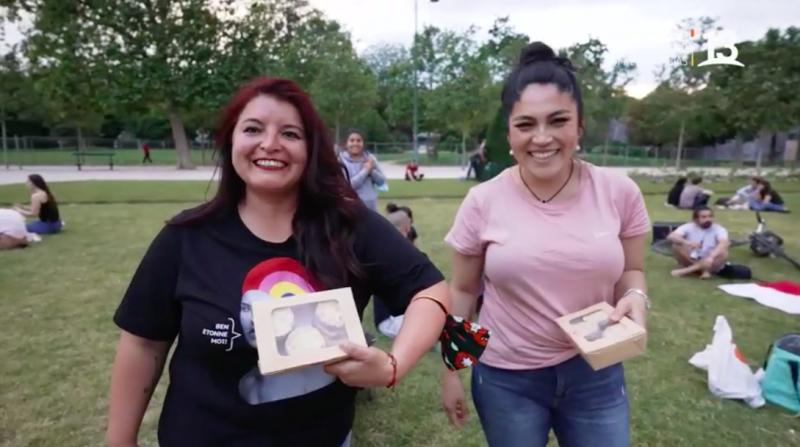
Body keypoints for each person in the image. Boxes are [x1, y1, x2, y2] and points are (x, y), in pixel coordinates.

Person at [106, 77, 449, 447]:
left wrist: (393, 366)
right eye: (253, 129)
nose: (270, 144)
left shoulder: (351, 229)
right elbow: (143, 345)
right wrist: (119, 441)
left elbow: (431, 290)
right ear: (231, 141)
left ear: (311, 149)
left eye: (290, 133)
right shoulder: (186, 237)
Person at [441, 42, 651, 447]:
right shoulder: (483, 201)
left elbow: (631, 271)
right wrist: (452, 371)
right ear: (509, 133)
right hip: (506, 379)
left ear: (580, 127)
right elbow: (465, 291)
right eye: (525, 125)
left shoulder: (619, 192)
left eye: (558, 121)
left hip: (596, 372)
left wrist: (637, 297)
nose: (542, 138)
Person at [373, 209, 414, 338]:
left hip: (389, 319)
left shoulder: (380, 250)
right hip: (391, 320)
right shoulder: (396, 255)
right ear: (406, 228)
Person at [667, 206, 730, 279]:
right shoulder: (688, 226)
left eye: (710, 216)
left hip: (710, 260)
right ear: (695, 219)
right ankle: (704, 270)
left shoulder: (719, 229)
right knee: (676, 246)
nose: (708, 219)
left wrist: (711, 257)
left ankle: (686, 271)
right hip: (691, 258)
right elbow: (671, 236)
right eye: (704, 217)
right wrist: (687, 242)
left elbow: (723, 242)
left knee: (724, 252)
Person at [338, 130, 386, 211]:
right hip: (351, 206)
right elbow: (348, 186)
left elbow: (381, 182)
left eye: (359, 140)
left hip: (371, 207)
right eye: (352, 140)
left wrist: (372, 171)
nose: (355, 143)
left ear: (363, 143)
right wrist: (366, 171)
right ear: (346, 143)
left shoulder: (370, 158)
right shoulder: (340, 161)